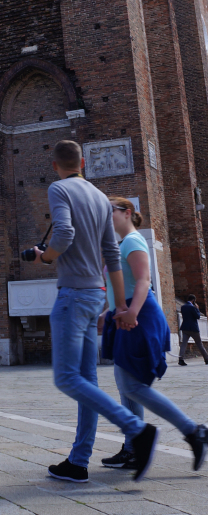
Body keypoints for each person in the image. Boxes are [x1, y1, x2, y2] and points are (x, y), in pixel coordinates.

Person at [32, 139, 157, 483]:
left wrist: (46, 257)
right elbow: (111, 254)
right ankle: (78, 461)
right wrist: (119, 305)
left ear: (55, 166)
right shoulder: (102, 198)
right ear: (83, 163)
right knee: (86, 380)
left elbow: (64, 234)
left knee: (66, 377)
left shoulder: (59, 189)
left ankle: (137, 429)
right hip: (94, 295)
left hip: (72, 294)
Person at [100, 198, 208, 472]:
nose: (105, 216)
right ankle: (132, 447)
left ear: (127, 213)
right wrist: (107, 311)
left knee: (133, 387)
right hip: (125, 314)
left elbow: (143, 280)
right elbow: (120, 285)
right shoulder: (122, 244)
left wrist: (132, 312)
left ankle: (193, 431)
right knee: (127, 388)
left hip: (139, 317)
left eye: (109, 211)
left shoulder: (133, 241)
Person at [178, 294, 208, 365]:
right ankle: (206, 359)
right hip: (193, 328)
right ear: (193, 300)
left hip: (185, 327)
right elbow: (198, 316)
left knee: (184, 344)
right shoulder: (192, 307)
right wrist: (197, 308)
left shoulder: (183, 307)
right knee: (199, 344)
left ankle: (181, 359)